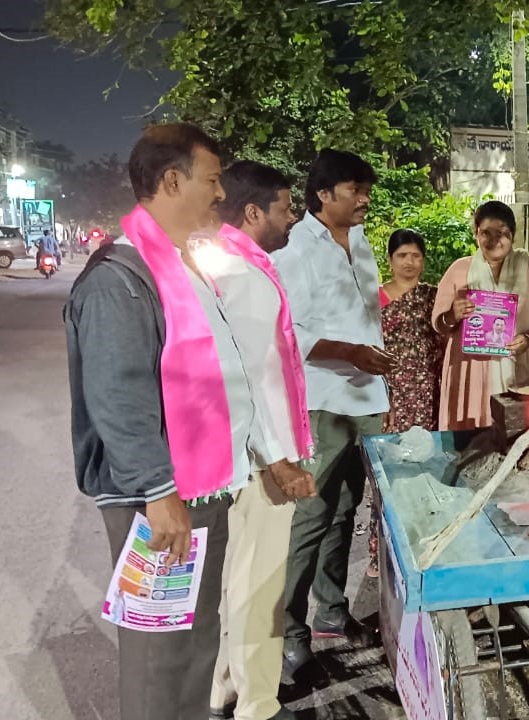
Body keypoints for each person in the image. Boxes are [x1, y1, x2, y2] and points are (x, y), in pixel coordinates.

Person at [65, 123, 247, 720]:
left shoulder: (176, 267)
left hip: (198, 487)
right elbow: (119, 394)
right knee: (158, 648)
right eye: (212, 179)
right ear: (173, 180)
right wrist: (158, 490)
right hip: (157, 497)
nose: (222, 194)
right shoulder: (120, 280)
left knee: (196, 636)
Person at [271, 149, 394, 682]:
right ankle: (287, 634)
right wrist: (349, 352)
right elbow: (287, 334)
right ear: (323, 195)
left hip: (368, 399)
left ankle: (331, 611)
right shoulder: (296, 250)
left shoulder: (362, 241)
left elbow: (367, 313)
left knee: (347, 510)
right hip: (324, 401)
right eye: (354, 190)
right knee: (309, 518)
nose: (365, 199)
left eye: (366, 189)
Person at [207, 160, 318, 720]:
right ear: (253, 212)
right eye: (284, 207)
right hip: (259, 457)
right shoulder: (243, 276)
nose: (292, 217)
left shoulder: (237, 265)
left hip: (247, 453)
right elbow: (252, 377)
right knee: (260, 587)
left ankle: (225, 684)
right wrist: (280, 458)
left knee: (240, 578)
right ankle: (258, 705)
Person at [433, 201, 529, 430]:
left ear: (513, 236)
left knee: (520, 436)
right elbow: (439, 324)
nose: (495, 240)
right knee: (471, 442)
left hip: (522, 368)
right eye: (486, 233)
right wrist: (453, 315)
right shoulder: (459, 269)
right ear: (476, 234)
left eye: (502, 233)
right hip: (471, 371)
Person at [378, 229, 443, 433]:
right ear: (390, 259)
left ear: (423, 261)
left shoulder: (435, 296)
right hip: (391, 386)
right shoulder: (374, 297)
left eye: (416, 256)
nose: (409, 261)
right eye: (402, 255)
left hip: (430, 387)